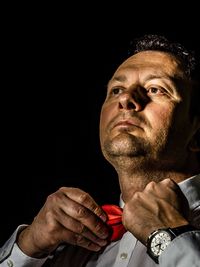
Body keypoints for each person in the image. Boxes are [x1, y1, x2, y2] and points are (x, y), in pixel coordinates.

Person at [0, 33, 200, 267]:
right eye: (116, 90)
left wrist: (169, 237)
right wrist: (27, 249)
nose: (126, 98)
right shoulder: (62, 245)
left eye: (156, 89)